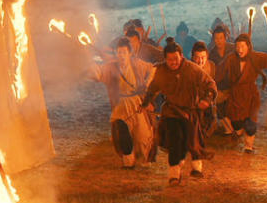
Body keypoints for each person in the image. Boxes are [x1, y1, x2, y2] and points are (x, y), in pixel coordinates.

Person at [141, 38, 218, 185]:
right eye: (169, 60)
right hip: (171, 112)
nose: (173, 62)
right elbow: (153, 88)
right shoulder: (161, 70)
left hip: (191, 112)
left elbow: (210, 84)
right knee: (175, 139)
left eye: (176, 59)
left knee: (192, 140)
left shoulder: (192, 69)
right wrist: (147, 102)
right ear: (165, 59)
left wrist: (207, 100)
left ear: (181, 56)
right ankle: (174, 175)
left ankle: (196, 167)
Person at [88, 37, 156, 168]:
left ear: (129, 53)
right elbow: (98, 75)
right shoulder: (111, 66)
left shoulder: (137, 64)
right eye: (119, 53)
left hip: (136, 104)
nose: (122, 56)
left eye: (124, 52)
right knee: (122, 131)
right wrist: (92, 65)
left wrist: (147, 84)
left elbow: (153, 69)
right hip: (120, 104)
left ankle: (142, 158)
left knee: (142, 136)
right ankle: (128, 160)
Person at [218, 33, 267, 154]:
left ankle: (248, 147)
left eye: (242, 46)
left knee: (250, 124)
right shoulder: (230, 58)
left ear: (248, 46)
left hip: (250, 96)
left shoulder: (255, 57)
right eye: (237, 46)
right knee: (236, 124)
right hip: (235, 96)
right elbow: (219, 72)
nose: (240, 49)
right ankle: (238, 132)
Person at [190, 41, 221, 138]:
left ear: (207, 57)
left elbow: (213, 85)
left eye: (203, 58)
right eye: (197, 58)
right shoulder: (188, 68)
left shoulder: (211, 66)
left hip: (208, 99)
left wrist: (208, 99)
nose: (200, 61)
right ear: (193, 57)